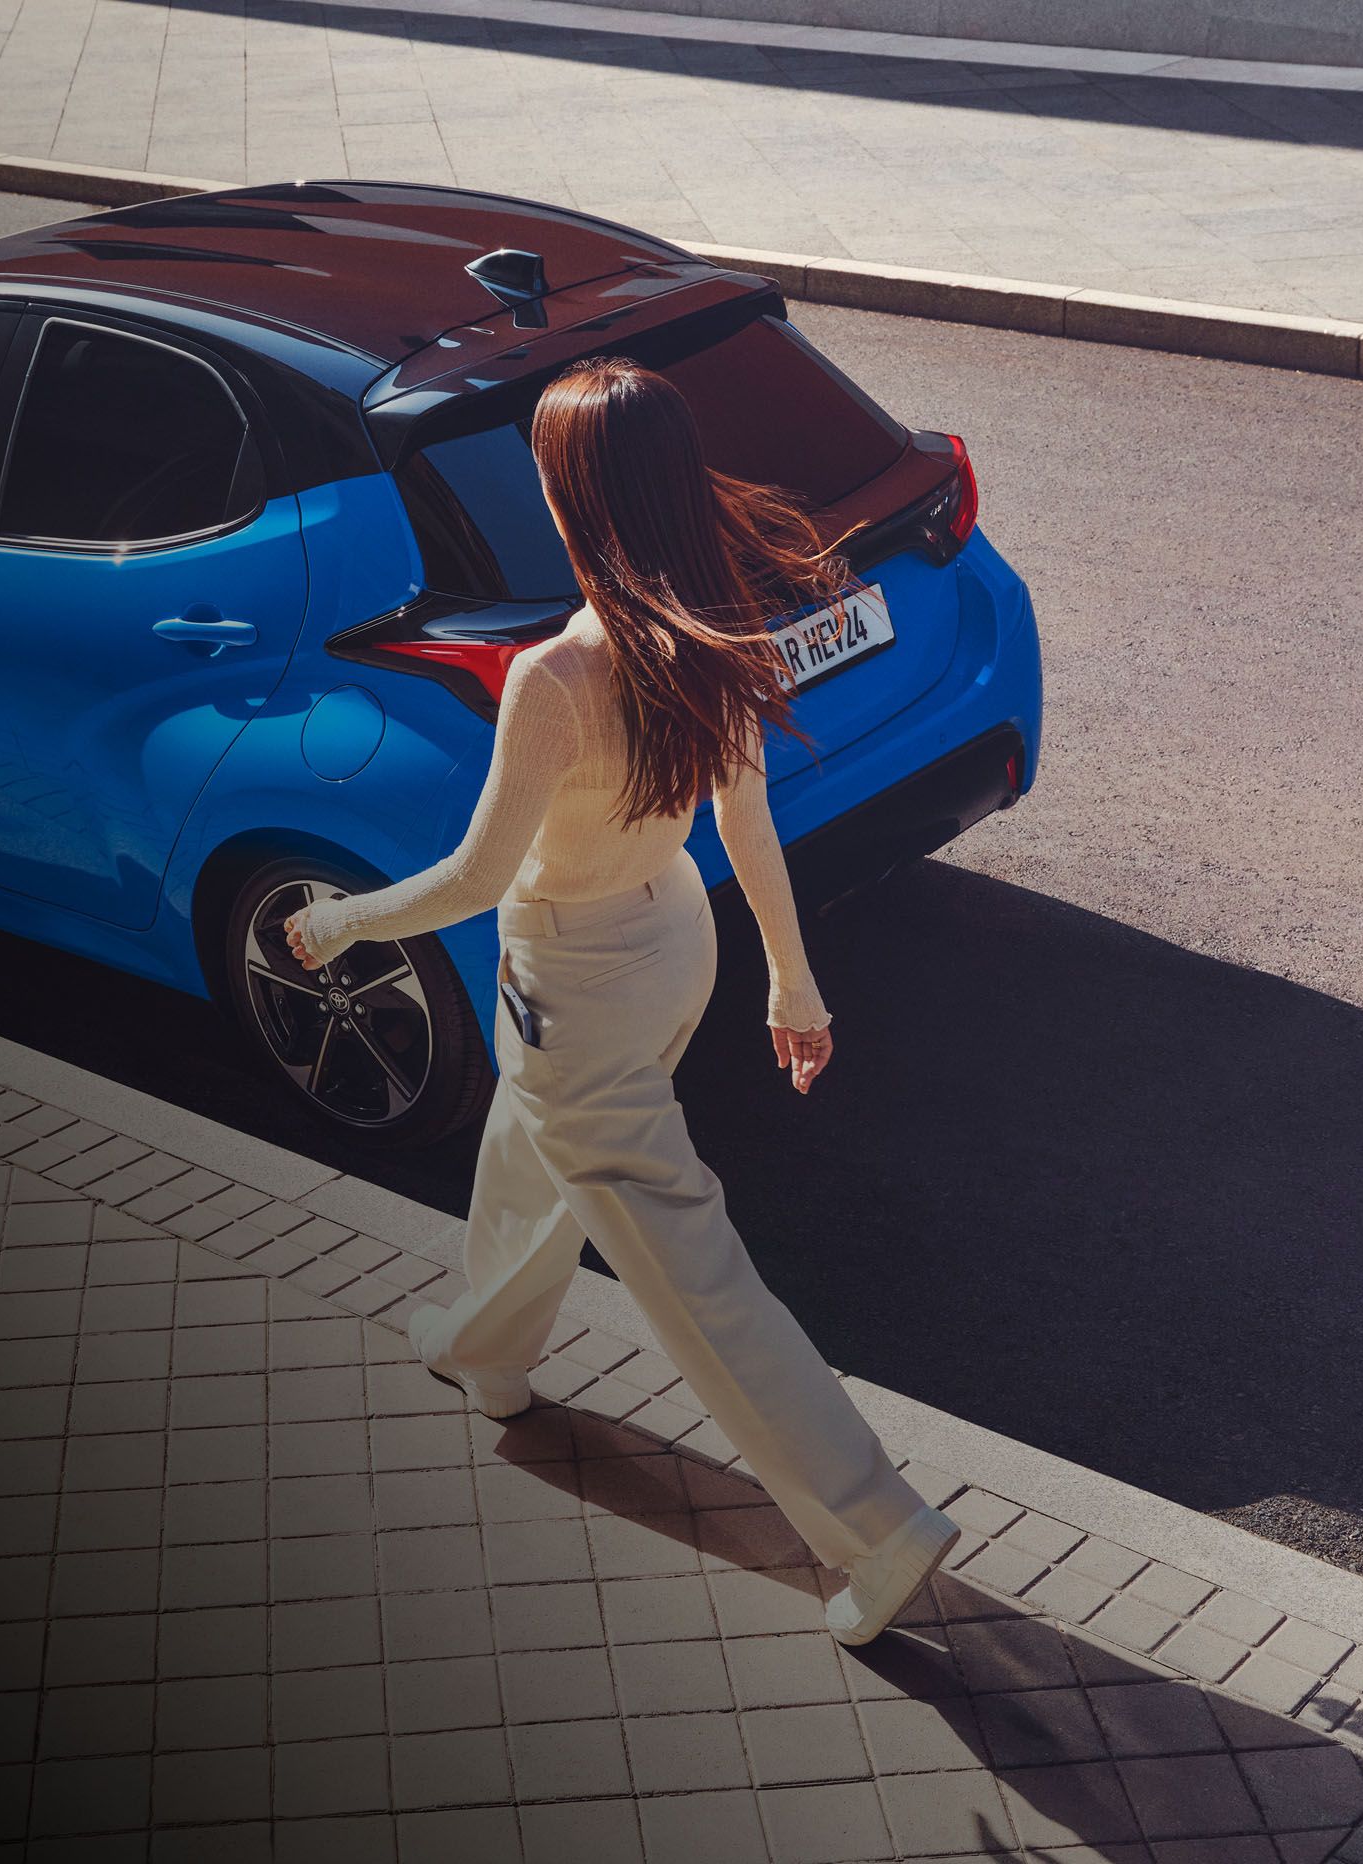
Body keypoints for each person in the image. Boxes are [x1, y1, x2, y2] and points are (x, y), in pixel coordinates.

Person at [282, 355, 957, 1645]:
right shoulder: (708, 629)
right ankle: (484, 1347)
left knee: (688, 1267)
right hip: (670, 946)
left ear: (568, 492)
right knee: (529, 1152)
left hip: (574, 977)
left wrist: (337, 922)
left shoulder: (559, 676)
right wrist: (791, 983)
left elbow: (479, 876)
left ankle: (878, 1527)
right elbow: (746, 821)